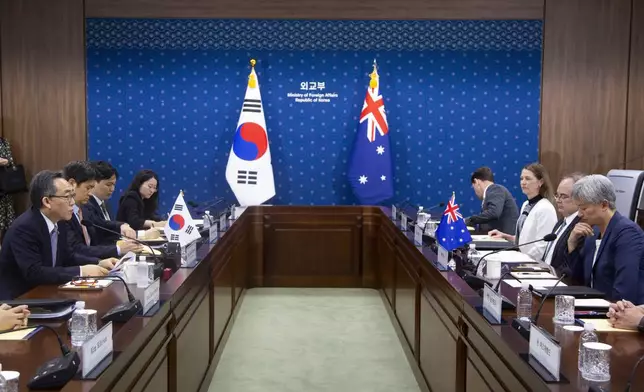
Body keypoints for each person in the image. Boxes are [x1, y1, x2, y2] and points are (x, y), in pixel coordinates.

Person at [0, 170, 114, 300]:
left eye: (73, 195)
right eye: (67, 197)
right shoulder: (25, 227)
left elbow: (67, 256)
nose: (72, 202)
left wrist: (98, 262)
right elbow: (34, 273)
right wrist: (81, 271)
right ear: (47, 201)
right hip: (20, 300)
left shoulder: (59, 222)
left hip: (47, 292)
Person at [564, 175, 644, 303]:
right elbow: (577, 280)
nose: (579, 214)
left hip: (616, 313)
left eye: (584, 208)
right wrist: (571, 244)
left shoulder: (628, 234)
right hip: (592, 308)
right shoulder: (593, 232)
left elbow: (625, 289)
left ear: (604, 205)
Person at [61, 161, 142, 259]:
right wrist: (118, 249)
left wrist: (122, 226)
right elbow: (76, 249)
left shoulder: (84, 209)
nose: (90, 193)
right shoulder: (62, 214)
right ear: (72, 184)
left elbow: (101, 224)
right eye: (88, 188)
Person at [489, 163, 558, 260]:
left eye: (528, 179)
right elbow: (525, 239)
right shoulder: (526, 204)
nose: (523, 182)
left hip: (533, 265)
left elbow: (542, 246)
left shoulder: (545, 208)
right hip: (522, 259)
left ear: (540, 182)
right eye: (521, 178)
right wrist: (505, 236)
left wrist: (520, 259)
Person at [84, 161, 136, 244]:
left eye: (114, 185)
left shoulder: (106, 204)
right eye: (108, 185)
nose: (112, 189)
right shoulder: (87, 205)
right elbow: (101, 230)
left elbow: (111, 233)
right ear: (93, 182)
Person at [543, 173, 585, 275]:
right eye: (557, 195)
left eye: (564, 196)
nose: (557, 200)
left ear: (579, 198)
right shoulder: (561, 222)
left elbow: (573, 267)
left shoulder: (581, 226)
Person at [465, 166, 519, 235]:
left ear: (477, 182)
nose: (475, 191)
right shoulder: (492, 193)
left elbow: (493, 213)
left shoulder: (495, 189)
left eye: (473, 187)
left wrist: (469, 220)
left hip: (505, 242)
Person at [0, 137, 16, 237]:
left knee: (4, 219)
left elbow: (9, 161)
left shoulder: (3, 142)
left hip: (3, 185)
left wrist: (3, 161)